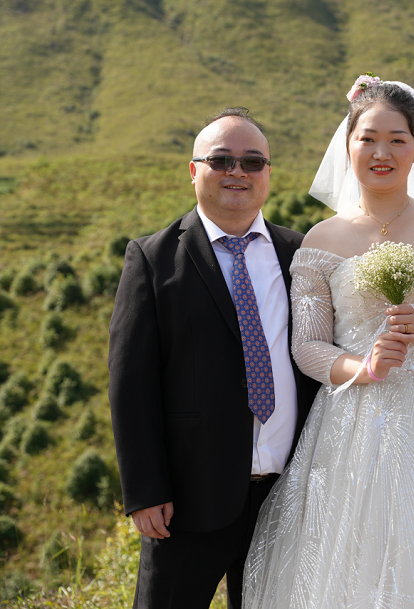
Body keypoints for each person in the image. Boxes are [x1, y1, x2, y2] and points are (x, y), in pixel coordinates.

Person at [242, 77, 414, 609]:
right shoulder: (321, 240)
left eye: (397, 140)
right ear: (347, 147)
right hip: (353, 417)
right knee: (355, 553)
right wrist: (361, 367)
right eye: (367, 139)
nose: (381, 152)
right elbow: (308, 347)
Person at [108, 108, 321, 608]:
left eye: (252, 162)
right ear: (194, 170)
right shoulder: (152, 259)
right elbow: (131, 383)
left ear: (268, 172)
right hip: (187, 500)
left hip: (285, 497)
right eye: (221, 160)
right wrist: (144, 490)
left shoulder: (301, 254)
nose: (237, 172)